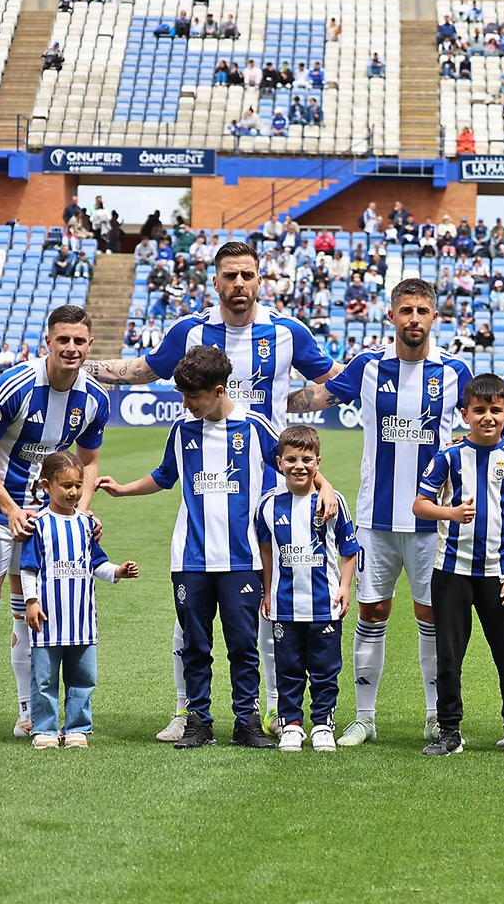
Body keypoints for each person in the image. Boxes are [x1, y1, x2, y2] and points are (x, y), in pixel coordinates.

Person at [89, 240, 340, 742]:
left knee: (268, 618)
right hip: (202, 521)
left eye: (248, 275)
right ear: (216, 281)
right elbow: (144, 371)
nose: (239, 284)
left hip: (270, 500)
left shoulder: (288, 332)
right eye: (230, 276)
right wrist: (85, 365)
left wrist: (289, 414)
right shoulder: (189, 332)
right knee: (193, 630)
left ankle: (268, 712)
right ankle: (189, 712)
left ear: (260, 279)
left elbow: (334, 383)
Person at [286, 278, 471, 746]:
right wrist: (261, 400)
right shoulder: (367, 367)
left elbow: (489, 423)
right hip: (375, 520)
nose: (414, 319)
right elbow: (315, 400)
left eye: (422, 311)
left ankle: (435, 716)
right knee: (371, 610)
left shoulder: (455, 372)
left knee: (432, 617)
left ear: (435, 317)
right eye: (405, 310)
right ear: (391, 317)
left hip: (435, 522)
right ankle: (365, 718)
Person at [95, 345, 283, 750]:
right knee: (195, 645)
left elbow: (296, 463)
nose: (186, 404)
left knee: (242, 645)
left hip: (242, 558)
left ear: (218, 390)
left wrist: (321, 489)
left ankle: (246, 720)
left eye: (192, 396)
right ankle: (199, 720)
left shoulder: (254, 427)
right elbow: (165, 475)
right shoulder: (183, 429)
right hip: (190, 558)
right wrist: (124, 490)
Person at [0, 305, 111, 749]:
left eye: (79, 341)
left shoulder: (95, 398)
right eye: (63, 340)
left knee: (32, 617)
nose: (71, 348)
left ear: (89, 344)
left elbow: (91, 461)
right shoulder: (16, 385)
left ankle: (28, 714)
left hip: (42, 523)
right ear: (49, 343)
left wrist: (79, 513)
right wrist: (8, 508)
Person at [412, 373, 504, 757]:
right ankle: (449, 731)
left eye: (495, 411)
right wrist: (448, 512)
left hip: (500, 574)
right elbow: (420, 504)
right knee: (449, 655)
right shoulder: (448, 456)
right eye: (479, 410)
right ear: (465, 414)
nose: (488, 417)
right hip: (451, 572)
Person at [17, 450, 139, 750]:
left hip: (82, 620)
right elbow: (28, 568)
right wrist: (31, 601)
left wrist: (118, 571)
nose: (73, 492)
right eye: (66, 485)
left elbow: (97, 563)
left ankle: (77, 729)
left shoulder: (86, 524)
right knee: (44, 679)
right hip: (49, 620)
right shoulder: (39, 525)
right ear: (47, 486)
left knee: (83, 678)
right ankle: (44, 729)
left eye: (78, 486)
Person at [255, 425, 361, 754]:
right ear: (279, 462)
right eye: (291, 459)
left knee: (325, 669)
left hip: (325, 602)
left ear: (318, 462)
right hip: (285, 603)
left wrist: (345, 587)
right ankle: (292, 724)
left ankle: (322, 724)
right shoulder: (268, 506)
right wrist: (268, 591)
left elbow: (348, 549)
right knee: (287, 668)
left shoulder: (333, 502)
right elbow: (267, 551)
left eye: (307, 459)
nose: (299, 466)